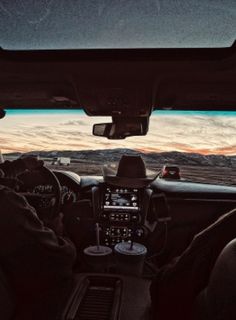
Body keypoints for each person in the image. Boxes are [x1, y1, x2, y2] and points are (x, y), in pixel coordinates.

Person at [0, 157, 77, 319]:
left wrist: (19, 165)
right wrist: (57, 233)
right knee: (63, 279)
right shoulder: (6, 202)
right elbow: (59, 257)